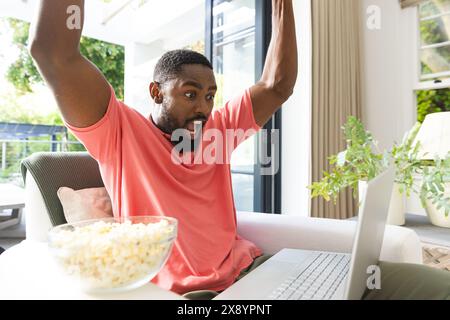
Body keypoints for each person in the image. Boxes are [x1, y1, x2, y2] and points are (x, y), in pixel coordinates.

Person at [29, 0, 449, 300]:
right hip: (200, 296)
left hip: (255, 267)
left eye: (210, 95)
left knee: (432, 286)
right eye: (190, 94)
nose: (203, 108)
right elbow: (53, 53)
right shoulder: (119, 132)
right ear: (156, 92)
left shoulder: (217, 130)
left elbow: (277, 84)